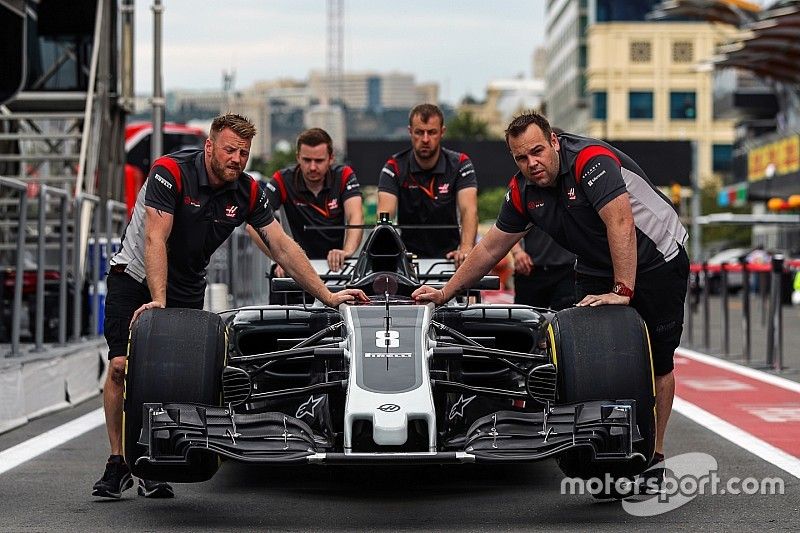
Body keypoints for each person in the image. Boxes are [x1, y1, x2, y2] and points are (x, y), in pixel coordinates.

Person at [92, 113, 367, 500]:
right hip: (136, 275)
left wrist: (328, 295)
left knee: (173, 375)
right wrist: (158, 300)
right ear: (209, 147)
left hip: (187, 283)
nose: (237, 159)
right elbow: (156, 237)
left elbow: (282, 246)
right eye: (229, 150)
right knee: (121, 366)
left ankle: (154, 461)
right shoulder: (169, 171)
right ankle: (117, 461)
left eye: (244, 152)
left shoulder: (248, 192)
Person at [413, 111, 689, 485]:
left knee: (657, 360)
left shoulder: (590, 161)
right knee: (586, 353)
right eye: (521, 158)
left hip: (657, 257)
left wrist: (623, 290)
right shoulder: (522, 190)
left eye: (538, 151)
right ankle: (601, 452)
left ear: (554, 141)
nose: (532, 163)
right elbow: (491, 247)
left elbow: (620, 222)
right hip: (596, 262)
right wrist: (444, 293)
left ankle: (654, 455)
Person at [250, 128, 363, 278]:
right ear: (298, 157)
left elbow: (355, 216)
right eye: (307, 160)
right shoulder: (282, 180)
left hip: (335, 269)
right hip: (293, 271)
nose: (313, 167)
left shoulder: (344, 176)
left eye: (319, 161)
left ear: (331, 158)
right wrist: (281, 258)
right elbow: (253, 226)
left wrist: (347, 252)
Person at [377, 103, 478, 267]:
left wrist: (465, 249)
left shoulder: (461, 164)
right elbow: (384, 216)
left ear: (442, 132)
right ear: (410, 132)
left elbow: (469, 210)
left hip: (450, 258)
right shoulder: (394, 167)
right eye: (419, 132)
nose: (425, 139)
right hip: (407, 260)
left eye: (432, 132)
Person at [511, 227, 576, 310]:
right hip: (530, 269)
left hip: (566, 269)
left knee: (566, 315)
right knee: (526, 316)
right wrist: (517, 252)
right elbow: (509, 229)